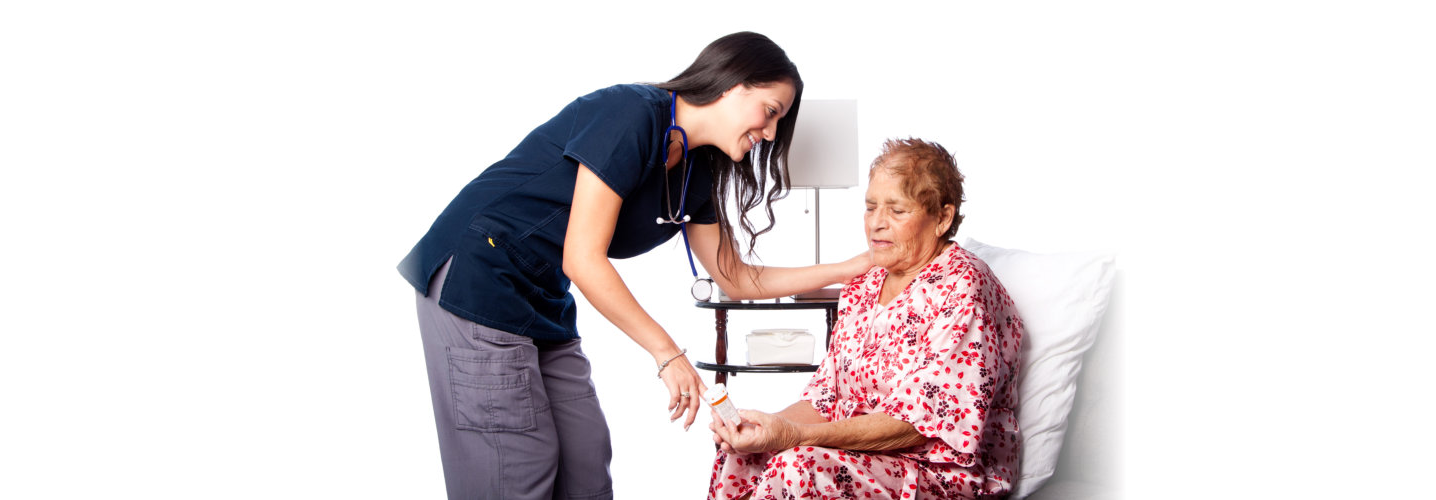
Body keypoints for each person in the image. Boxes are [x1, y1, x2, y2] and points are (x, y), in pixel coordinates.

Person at [397, 32, 871, 500]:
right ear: (732, 83)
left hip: (542, 296)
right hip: (478, 276)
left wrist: (854, 266)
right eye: (770, 112)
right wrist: (668, 354)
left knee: (586, 462)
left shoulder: (699, 170)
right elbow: (583, 257)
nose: (769, 134)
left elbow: (737, 278)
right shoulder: (631, 113)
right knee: (519, 468)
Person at [706, 138, 1024, 499]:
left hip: (937, 471)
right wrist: (762, 427)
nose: (877, 224)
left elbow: (922, 426)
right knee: (742, 457)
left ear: (942, 218)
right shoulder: (866, 283)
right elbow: (826, 398)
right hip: (863, 455)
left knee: (797, 466)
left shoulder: (964, 286)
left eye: (897, 211)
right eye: (871, 207)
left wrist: (796, 437)